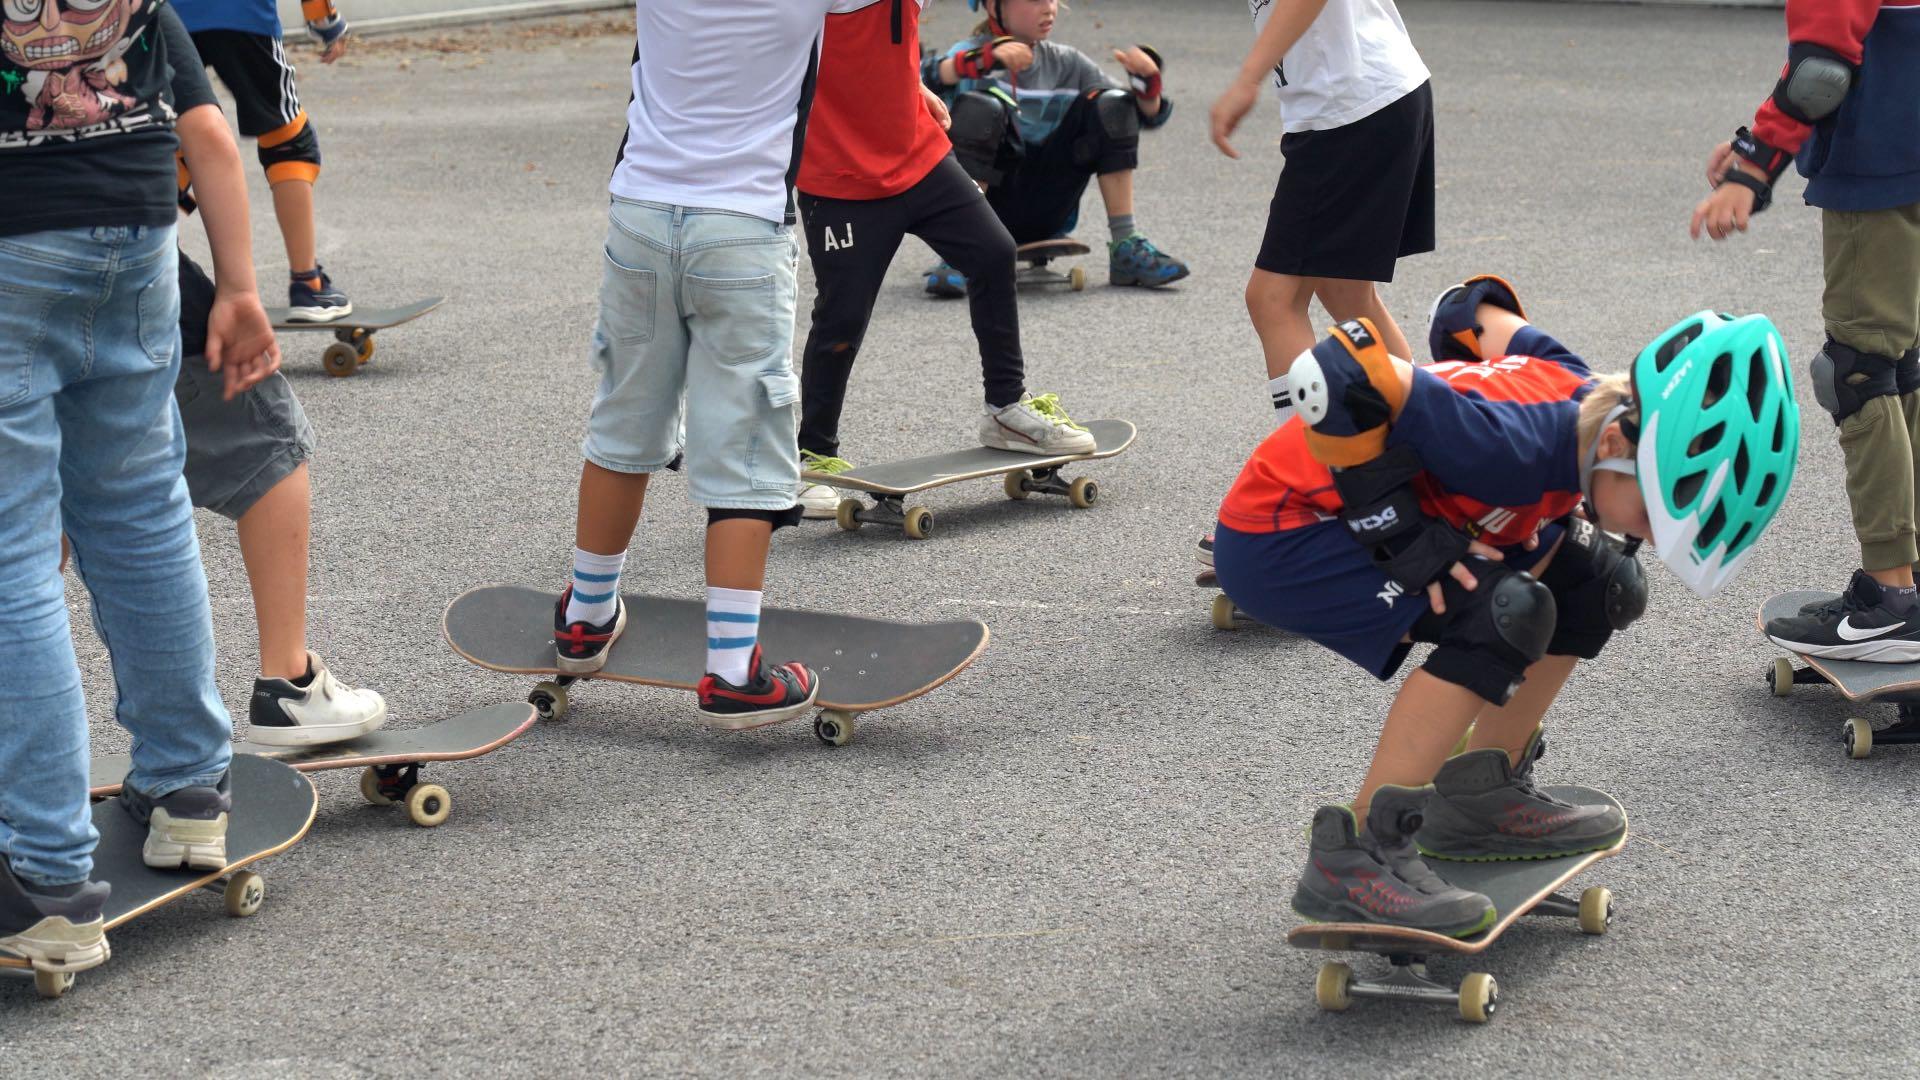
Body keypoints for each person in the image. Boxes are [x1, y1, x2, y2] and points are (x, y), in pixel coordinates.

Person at [1212, 276, 1799, 931]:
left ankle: (1477, 794)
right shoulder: (1505, 444)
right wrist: (1410, 543)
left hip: (1349, 516)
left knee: (1598, 579)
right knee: (1500, 615)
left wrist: (1470, 330)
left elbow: (1468, 315)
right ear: (1613, 445)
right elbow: (1340, 370)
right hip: (1283, 536)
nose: (1649, 536)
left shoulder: (1584, 394)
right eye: (1654, 513)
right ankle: (1358, 859)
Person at [1, 3, 277, 979]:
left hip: (11, 249)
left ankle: (46, 876)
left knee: (13, 565)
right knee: (143, 519)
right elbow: (205, 130)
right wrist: (240, 289)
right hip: (136, 239)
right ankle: (187, 796)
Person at [550, 0, 903, 729]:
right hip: (742, 226)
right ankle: (732, 670)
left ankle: (585, 617)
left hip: (641, 211)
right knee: (745, 444)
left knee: (625, 417)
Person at [168, 15, 389, 745]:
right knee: (269, 445)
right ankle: (286, 683)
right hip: (105, 268)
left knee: (40, 510)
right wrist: (237, 291)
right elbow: (206, 141)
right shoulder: (126, 15)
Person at [793, 0, 1095, 518]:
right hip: (839, 173)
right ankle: (811, 455)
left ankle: (1005, 410)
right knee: (842, 315)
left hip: (918, 154)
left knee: (994, 253)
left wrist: (911, 86)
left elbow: (882, 46)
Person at [1691, 0, 1920, 662]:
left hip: (1880, 169)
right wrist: (1749, 141)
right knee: (1904, 364)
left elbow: (1821, 71)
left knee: (1859, 371)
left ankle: (1890, 599)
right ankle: (1909, 579)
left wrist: (1751, 167)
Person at [1209, 0, 1434, 425]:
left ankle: (1310, 470)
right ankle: (1429, 436)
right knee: (1345, 290)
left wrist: (1247, 78)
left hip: (1351, 109)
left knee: (1274, 299)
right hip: (1374, 95)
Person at [922, 0, 1188, 296]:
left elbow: (1133, 120)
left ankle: (1125, 244)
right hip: (987, 204)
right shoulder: (968, 52)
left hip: (1050, 201)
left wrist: (1147, 87)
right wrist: (979, 61)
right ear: (994, 6)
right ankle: (961, 246)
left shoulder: (1068, 63)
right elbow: (917, 83)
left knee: (1113, 101)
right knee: (982, 106)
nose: (1049, 8)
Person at [171, 0, 355, 321]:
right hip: (243, 15)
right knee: (288, 140)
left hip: (168, 19)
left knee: (174, 142)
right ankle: (307, 284)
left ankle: (146, 269)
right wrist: (325, 21)